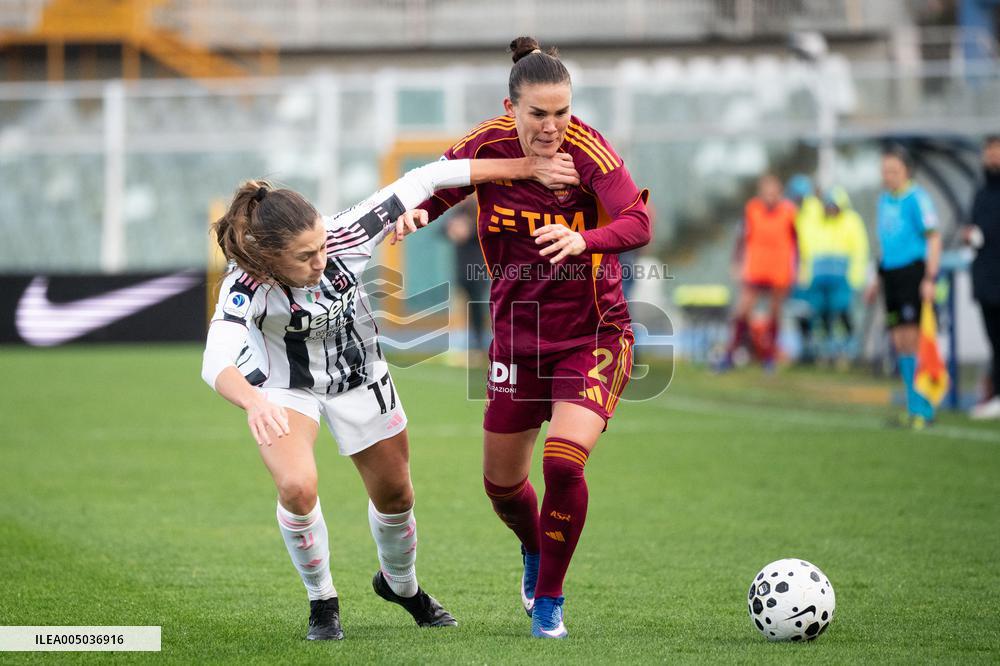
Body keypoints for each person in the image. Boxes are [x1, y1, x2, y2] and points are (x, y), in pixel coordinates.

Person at [201, 154, 579, 640]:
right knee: (297, 486)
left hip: (360, 378)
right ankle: (322, 601)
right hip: (285, 388)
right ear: (271, 258)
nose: (322, 260)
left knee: (397, 495)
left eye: (321, 246)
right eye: (305, 256)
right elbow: (216, 358)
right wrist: (253, 402)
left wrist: (526, 166)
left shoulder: (345, 233)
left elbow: (430, 176)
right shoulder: (245, 284)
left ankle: (402, 586)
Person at [416, 36, 651, 639]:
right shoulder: (487, 143)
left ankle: (548, 600)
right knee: (501, 488)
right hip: (518, 341)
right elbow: (441, 182)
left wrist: (585, 240)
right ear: (511, 106)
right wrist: (419, 211)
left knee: (563, 462)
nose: (553, 128)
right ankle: (533, 548)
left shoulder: (589, 151)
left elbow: (638, 221)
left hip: (592, 335)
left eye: (563, 112)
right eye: (539, 113)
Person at [864, 146, 942, 429]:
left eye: (894, 171)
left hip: (913, 273)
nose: (889, 176)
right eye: (885, 171)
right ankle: (912, 407)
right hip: (892, 276)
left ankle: (925, 407)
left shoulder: (917, 199)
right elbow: (885, 245)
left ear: (906, 171)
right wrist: (875, 278)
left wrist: (930, 278)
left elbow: (934, 239)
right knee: (898, 341)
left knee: (913, 338)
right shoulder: (884, 200)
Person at [718, 173, 798, 371]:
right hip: (756, 266)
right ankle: (730, 354)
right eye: (766, 191)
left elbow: (798, 242)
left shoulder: (789, 212)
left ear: (780, 192)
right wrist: (736, 262)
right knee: (742, 310)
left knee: (774, 312)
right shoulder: (752, 209)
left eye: (773, 191)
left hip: (779, 268)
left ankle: (769, 358)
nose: (769, 195)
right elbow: (741, 238)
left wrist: (797, 267)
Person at [799, 187, 869, 365]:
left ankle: (848, 348)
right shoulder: (817, 221)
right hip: (820, 275)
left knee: (841, 310)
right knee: (821, 312)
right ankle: (824, 349)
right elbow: (807, 213)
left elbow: (860, 249)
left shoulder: (851, 222)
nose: (830, 210)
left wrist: (855, 276)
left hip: (842, 276)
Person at [962, 135, 1000, 420]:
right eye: (989, 152)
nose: (992, 157)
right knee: (995, 340)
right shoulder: (980, 193)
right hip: (986, 280)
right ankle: (996, 395)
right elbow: (975, 231)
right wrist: (970, 236)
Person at [444, 200, 490, 354]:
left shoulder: (482, 209)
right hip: (461, 269)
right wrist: (452, 229)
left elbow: (489, 232)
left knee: (477, 307)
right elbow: (443, 230)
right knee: (459, 305)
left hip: (478, 269)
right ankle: (458, 343)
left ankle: (479, 342)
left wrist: (468, 230)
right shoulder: (458, 212)